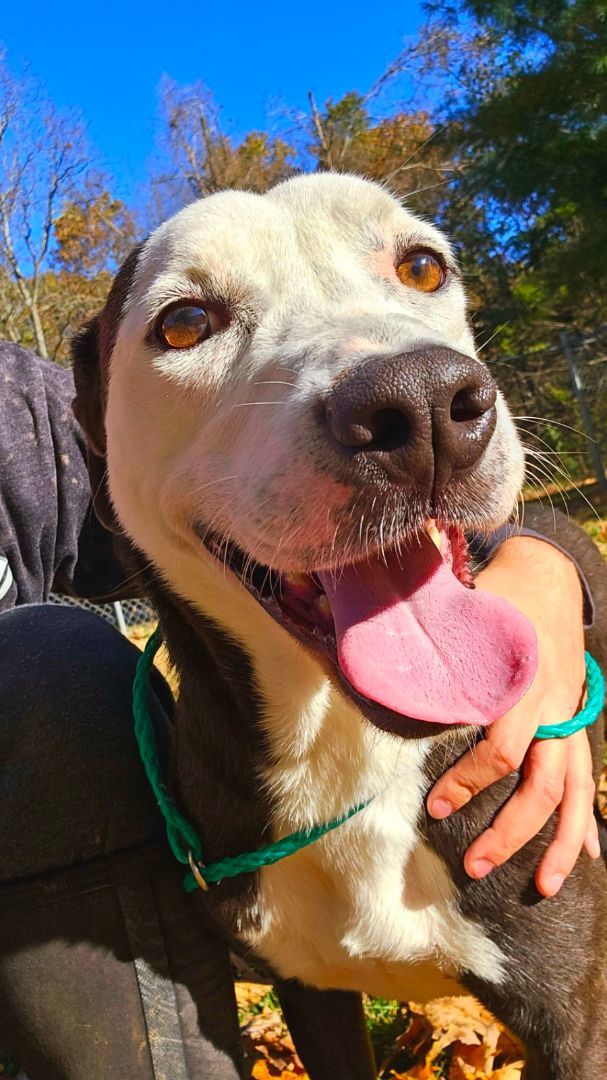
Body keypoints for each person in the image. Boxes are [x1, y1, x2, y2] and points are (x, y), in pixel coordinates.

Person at [0, 341, 599, 1079]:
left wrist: (546, 557)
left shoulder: (18, 416)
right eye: (188, 324)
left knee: (46, 662)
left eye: (420, 270)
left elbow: (164, 475)